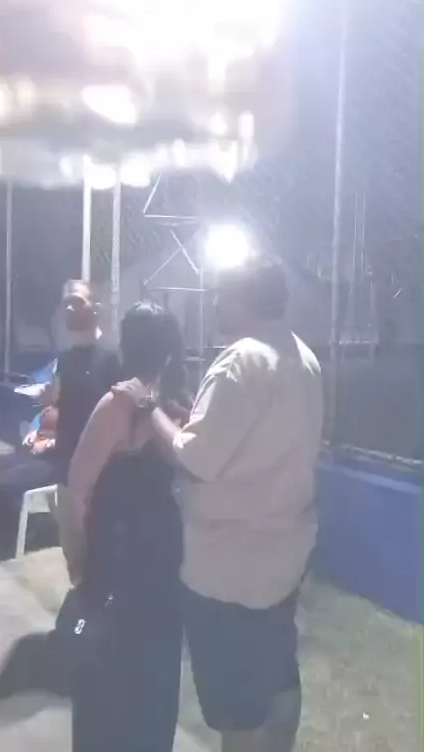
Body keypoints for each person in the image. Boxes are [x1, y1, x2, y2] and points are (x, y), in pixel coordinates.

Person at [115, 260, 323, 752]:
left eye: (222, 293)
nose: (214, 303)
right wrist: (193, 424)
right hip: (283, 560)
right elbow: (251, 440)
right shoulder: (302, 355)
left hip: (229, 573)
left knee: (239, 715)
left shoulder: (239, 361)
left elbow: (194, 461)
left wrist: (147, 405)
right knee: (277, 682)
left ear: (245, 298)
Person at [0, 303, 187, 752]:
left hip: (141, 563)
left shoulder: (156, 408)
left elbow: (76, 491)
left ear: (125, 345)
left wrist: (77, 557)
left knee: (132, 681)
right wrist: (78, 560)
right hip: (131, 563)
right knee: (131, 680)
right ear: (169, 352)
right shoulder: (133, 406)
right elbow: (77, 491)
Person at [0, 280, 121, 560]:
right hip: (60, 454)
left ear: (95, 309)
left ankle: (11, 549)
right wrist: (46, 404)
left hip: (85, 461)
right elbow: (59, 403)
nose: (70, 308)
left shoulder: (110, 359)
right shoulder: (66, 358)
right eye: (66, 303)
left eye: (78, 301)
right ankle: (25, 536)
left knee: (1, 488)